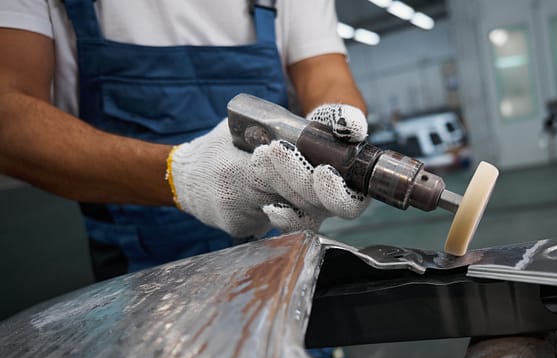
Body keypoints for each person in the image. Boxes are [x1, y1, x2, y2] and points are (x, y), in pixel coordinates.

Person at [0, 0, 370, 281]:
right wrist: (182, 174)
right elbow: (8, 119)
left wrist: (334, 137)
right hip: (140, 280)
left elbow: (325, 75)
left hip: (280, 264)